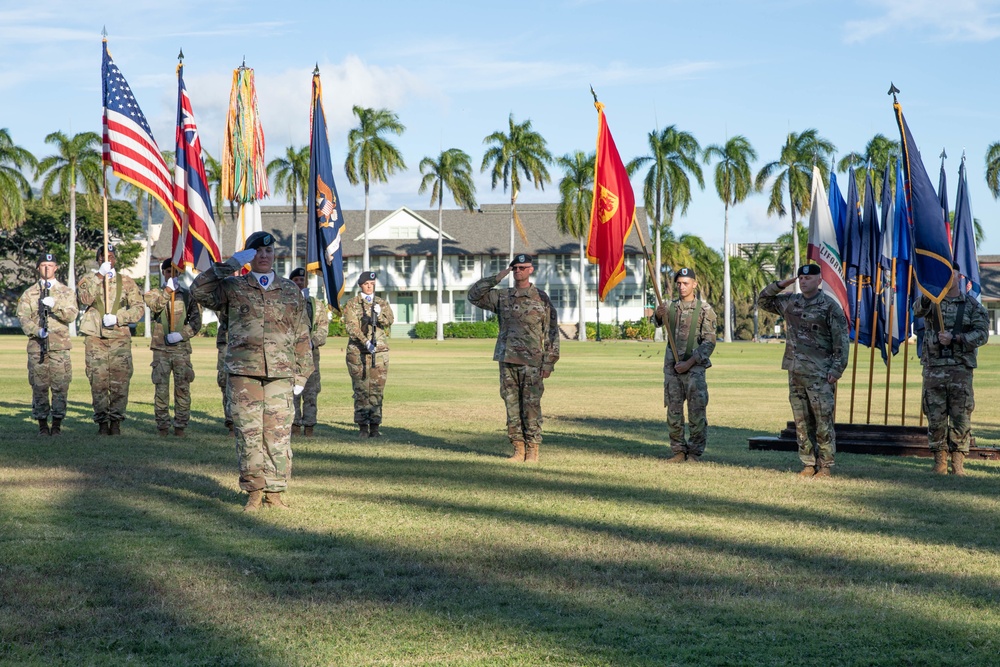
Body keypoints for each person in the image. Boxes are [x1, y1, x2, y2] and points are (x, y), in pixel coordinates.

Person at [192, 231, 312, 511]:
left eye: (268, 252)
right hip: (244, 373)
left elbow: (301, 333)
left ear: (274, 255)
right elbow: (199, 290)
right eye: (257, 251)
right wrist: (230, 264)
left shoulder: (289, 290)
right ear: (249, 256)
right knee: (249, 434)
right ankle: (254, 491)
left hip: (281, 374)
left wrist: (303, 373)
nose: (264, 256)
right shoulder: (233, 287)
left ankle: (276, 492)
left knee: (278, 435)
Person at [759, 264, 849, 477]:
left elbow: (841, 341)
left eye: (808, 278)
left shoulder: (829, 306)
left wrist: (837, 369)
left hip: (820, 373)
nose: (803, 281)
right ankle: (808, 463)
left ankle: (825, 465)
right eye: (801, 278)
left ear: (819, 280)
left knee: (822, 420)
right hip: (795, 371)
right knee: (801, 421)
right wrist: (782, 284)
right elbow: (763, 300)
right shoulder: (791, 302)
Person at [468, 253, 559, 462]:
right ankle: (518, 449)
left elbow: (552, 332)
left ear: (531, 270)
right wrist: (497, 277)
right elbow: (473, 296)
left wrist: (549, 363)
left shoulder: (541, 298)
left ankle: (533, 449)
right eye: (515, 268)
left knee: (531, 406)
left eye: (522, 267)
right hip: (507, 359)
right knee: (511, 406)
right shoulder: (502, 296)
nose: (518, 271)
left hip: (533, 363)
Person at [914, 263, 989, 476]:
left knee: (961, 416)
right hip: (934, 368)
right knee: (935, 416)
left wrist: (957, 338)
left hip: (960, 370)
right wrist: (930, 294)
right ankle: (939, 462)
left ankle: (958, 463)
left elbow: (982, 334)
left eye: (951, 274)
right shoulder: (931, 303)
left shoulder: (972, 306)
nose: (948, 279)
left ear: (959, 277)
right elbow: (917, 310)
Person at [77, 245, 144, 435]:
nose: (108, 259)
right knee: (98, 381)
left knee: (120, 381)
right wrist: (99, 276)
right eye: (103, 256)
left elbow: (138, 308)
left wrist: (119, 318)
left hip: (119, 338)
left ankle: (116, 422)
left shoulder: (127, 282)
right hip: (95, 337)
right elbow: (84, 298)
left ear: (116, 259)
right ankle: (101, 422)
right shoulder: (88, 280)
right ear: (98, 259)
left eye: (111, 256)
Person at [653, 267, 717, 463]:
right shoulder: (669, 307)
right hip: (672, 369)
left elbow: (709, 342)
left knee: (696, 412)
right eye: (679, 283)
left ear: (694, 284)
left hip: (694, 369)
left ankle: (695, 453)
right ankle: (678, 451)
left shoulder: (705, 310)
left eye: (686, 283)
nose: (682, 287)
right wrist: (657, 314)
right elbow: (656, 322)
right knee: (674, 412)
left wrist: (689, 363)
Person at [16, 253, 79, 436]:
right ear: (38, 268)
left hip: (60, 347)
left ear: (56, 268)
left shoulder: (66, 292)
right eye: (43, 265)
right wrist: (37, 331)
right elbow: (23, 317)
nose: (47, 268)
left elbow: (71, 315)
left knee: (60, 385)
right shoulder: (29, 293)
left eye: (50, 265)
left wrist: (55, 306)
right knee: (39, 386)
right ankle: (43, 425)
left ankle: (57, 424)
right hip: (38, 346)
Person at [144, 259, 203, 437]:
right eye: (169, 271)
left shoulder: (188, 295)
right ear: (163, 273)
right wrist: (167, 291)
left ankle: (180, 426)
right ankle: (162, 426)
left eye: (175, 272)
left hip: (181, 349)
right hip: (161, 349)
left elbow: (196, 322)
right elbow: (155, 306)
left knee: (183, 388)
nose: (172, 275)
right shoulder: (154, 293)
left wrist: (182, 334)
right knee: (161, 389)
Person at [343, 271, 394, 438]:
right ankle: (363, 427)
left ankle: (375, 427)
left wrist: (379, 314)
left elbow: (389, 321)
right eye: (366, 284)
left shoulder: (381, 303)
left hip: (379, 354)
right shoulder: (352, 304)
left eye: (372, 284)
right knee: (361, 390)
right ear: (360, 285)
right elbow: (352, 327)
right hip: (359, 352)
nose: (369, 286)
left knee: (377, 390)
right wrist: (365, 342)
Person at [288, 268, 329, 437]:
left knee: (311, 391)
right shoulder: (285, 302)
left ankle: (309, 426)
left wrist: (312, 342)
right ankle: (295, 425)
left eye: (302, 280)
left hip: (311, 355)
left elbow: (323, 329)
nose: (299, 282)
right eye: (296, 279)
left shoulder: (316, 305)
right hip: (290, 354)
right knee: (292, 390)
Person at [215, 310, 233, 436]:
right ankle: (231, 422)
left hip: (250, 341)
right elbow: (223, 314)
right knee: (225, 382)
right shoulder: (225, 291)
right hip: (227, 341)